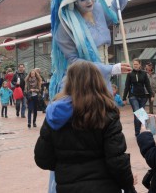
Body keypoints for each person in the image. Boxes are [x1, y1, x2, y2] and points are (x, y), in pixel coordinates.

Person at [34, 61, 137, 193]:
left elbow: (43, 158)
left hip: (68, 186)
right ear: (97, 80)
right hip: (104, 186)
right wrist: (128, 184)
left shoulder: (55, 113)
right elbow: (117, 160)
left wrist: (65, 166)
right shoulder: (106, 111)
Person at [49, 0, 131, 100]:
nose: (90, 1)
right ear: (73, 0)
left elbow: (114, 15)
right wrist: (111, 69)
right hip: (82, 82)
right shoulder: (64, 28)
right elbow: (75, 62)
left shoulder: (98, 8)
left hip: (103, 79)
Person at [123, 58, 154, 137]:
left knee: (140, 114)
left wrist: (151, 95)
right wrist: (124, 98)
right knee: (138, 113)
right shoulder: (130, 74)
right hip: (133, 96)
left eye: (136, 64)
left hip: (143, 97)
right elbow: (126, 86)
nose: (135, 66)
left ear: (140, 65)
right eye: (134, 64)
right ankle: (143, 132)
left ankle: (141, 132)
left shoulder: (144, 73)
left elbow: (147, 85)